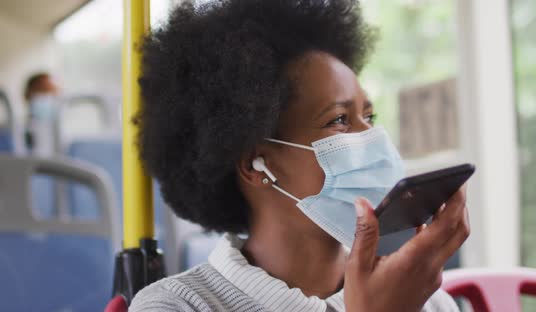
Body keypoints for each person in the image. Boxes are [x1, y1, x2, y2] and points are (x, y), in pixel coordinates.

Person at [130, 0, 470, 311]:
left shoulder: (427, 301)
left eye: (370, 117)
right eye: (338, 120)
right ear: (255, 164)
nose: (373, 139)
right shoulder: (175, 306)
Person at [23, 72, 61, 156]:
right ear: (27, 95)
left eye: (53, 93)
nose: (48, 97)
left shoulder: (64, 134)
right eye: (43, 91)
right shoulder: (13, 133)